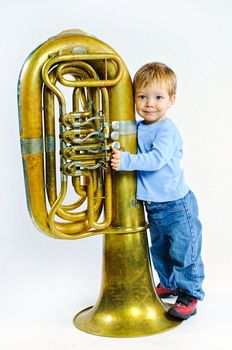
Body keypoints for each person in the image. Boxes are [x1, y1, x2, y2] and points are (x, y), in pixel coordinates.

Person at [111, 62, 205, 320]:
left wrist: (126, 161)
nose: (149, 103)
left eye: (158, 97)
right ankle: (169, 283)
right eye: (142, 96)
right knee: (160, 250)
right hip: (153, 205)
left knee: (184, 251)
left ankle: (190, 293)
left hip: (176, 204)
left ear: (171, 100)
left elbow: (156, 160)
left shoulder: (167, 129)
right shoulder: (138, 127)